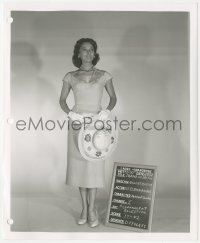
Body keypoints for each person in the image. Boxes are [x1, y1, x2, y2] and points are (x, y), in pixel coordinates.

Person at [59, 38, 117, 227]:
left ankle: (92, 209)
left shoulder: (103, 75)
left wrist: (105, 112)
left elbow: (113, 98)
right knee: (79, 168)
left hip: (97, 124)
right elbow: (61, 100)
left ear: (95, 53)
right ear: (78, 53)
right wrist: (71, 115)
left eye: (91, 50)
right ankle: (84, 208)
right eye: (84, 50)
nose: (88, 53)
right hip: (77, 124)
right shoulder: (70, 76)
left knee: (93, 167)